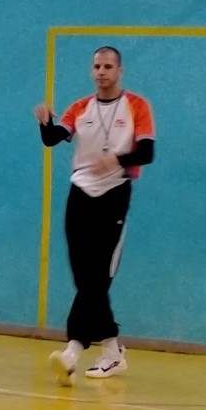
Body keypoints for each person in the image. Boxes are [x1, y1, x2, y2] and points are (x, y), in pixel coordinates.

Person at [35, 44, 155, 381]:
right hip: (80, 194)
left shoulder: (136, 106)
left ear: (120, 71)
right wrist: (45, 123)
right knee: (84, 277)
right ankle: (112, 350)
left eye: (108, 66)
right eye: (97, 67)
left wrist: (115, 159)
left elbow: (146, 152)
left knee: (98, 277)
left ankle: (73, 350)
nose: (101, 72)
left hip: (114, 193)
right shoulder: (80, 107)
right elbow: (53, 138)